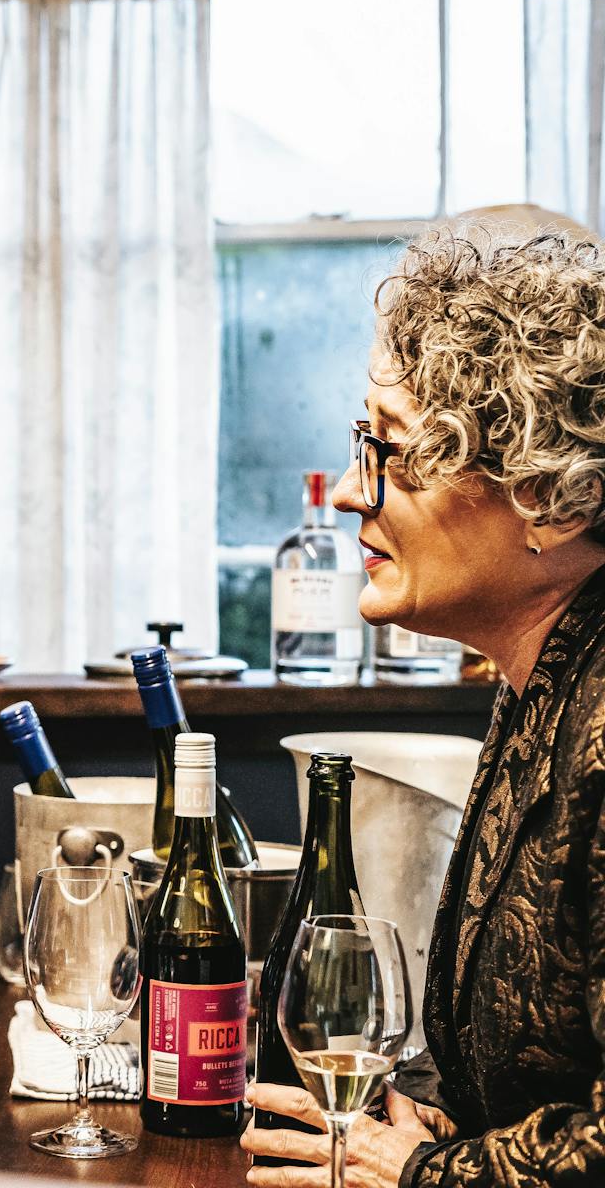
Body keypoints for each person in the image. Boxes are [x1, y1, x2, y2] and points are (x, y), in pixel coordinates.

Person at [242, 225, 605, 1186]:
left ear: (550, 501)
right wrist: (422, 1122)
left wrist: (421, 1173)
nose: (355, 493)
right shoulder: (541, 679)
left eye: (394, 452)